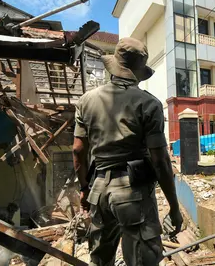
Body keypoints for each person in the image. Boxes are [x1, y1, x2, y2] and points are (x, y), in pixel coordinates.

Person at [72, 37, 183, 266]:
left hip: (99, 190)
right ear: (139, 71)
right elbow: (160, 160)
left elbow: (78, 150)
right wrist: (173, 206)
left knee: (101, 259)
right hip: (134, 192)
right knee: (143, 260)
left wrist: (84, 188)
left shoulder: (86, 101)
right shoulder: (149, 104)